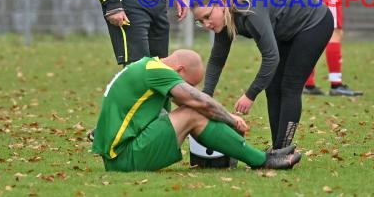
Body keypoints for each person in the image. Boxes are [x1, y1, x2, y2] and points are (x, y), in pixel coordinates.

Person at [92, 49, 302, 172]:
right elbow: (201, 102)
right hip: (123, 159)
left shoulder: (146, 67)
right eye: (188, 84)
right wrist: (231, 119)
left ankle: (258, 156)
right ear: (180, 70)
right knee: (193, 111)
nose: (188, 88)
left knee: (192, 110)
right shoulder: (159, 73)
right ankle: (262, 161)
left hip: (119, 153)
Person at [190, 0, 334, 150]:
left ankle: (283, 149)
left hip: (315, 21)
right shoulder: (224, 20)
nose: (206, 24)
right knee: (272, 86)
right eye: (200, 21)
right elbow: (217, 60)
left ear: (221, 4)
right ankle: (278, 149)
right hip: (289, 30)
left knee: (290, 86)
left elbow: (271, 58)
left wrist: (250, 95)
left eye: (207, 16)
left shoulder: (249, 13)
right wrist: (206, 97)